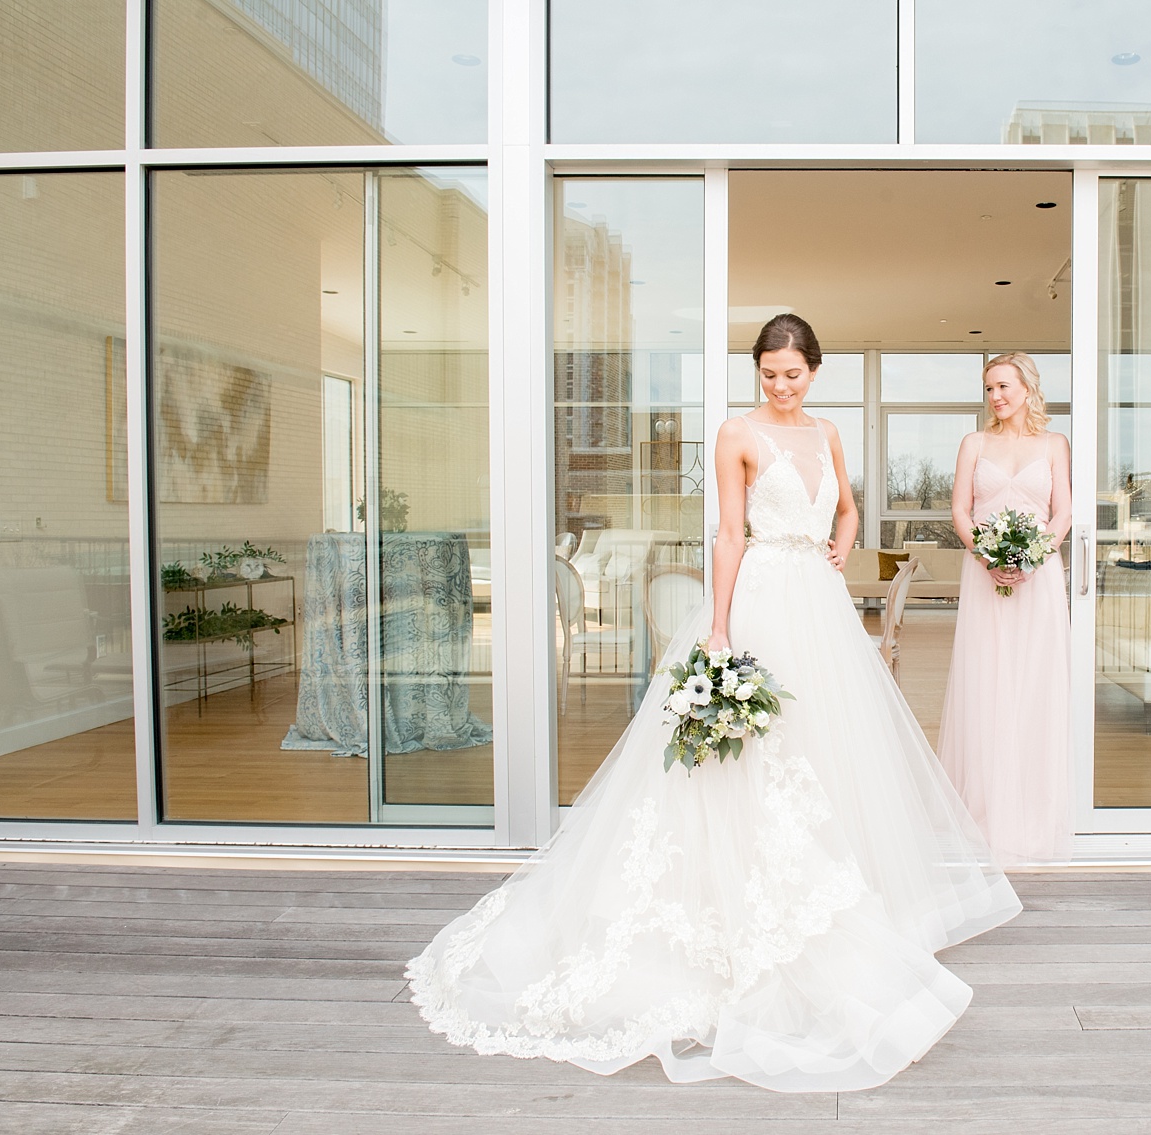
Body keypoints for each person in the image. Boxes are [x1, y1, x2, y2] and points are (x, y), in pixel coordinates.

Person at [406, 314, 1019, 1093]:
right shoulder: (739, 433)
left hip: (820, 607)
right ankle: (732, 916)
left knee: (829, 748)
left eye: (792, 373)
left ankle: (842, 899)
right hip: (762, 598)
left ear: (814, 371)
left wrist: (848, 528)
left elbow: (847, 504)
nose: (780, 385)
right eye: (769, 373)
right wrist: (722, 624)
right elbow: (729, 534)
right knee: (754, 757)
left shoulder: (828, 432)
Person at [939, 352, 1074, 864]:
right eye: (989, 388)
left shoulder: (1055, 444)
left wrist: (1035, 556)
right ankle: (987, 812)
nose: (995, 397)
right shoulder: (974, 443)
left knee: (1034, 685)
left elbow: (1063, 510)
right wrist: (984, 554)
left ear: (1027, 388)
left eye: (1003, 386)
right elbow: (959, 508)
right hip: (984, 577)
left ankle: (1035, 812)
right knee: (988, 683)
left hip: (1039, 581)